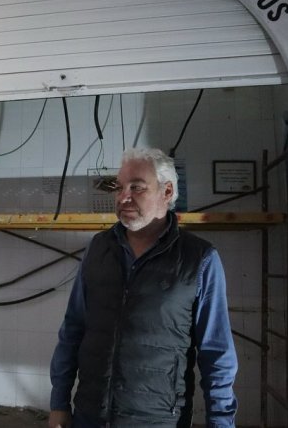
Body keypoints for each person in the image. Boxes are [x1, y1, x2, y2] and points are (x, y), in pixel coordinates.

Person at [49, 147, 237, 427]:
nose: (123, 196)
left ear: (167, 191)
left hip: (158, 420)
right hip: (90, 415)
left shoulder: (199, 259)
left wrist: (221, 423)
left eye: (136, 187)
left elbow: (217, 353)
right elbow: (73, 330)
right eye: (120, 187)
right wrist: (59, 403)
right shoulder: (98, 248)